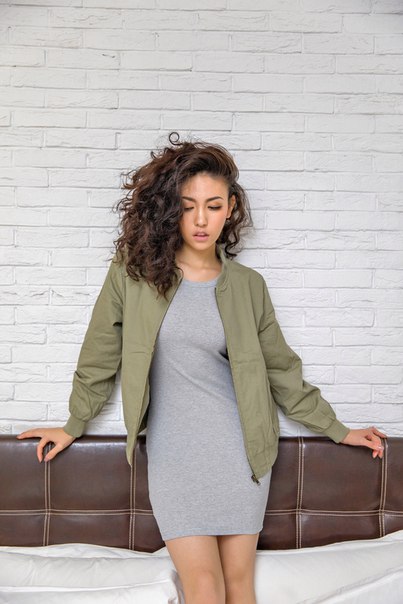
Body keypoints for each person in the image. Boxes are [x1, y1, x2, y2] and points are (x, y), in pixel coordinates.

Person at [17, 131, 387, 604]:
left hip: (241, 452)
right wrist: (74, 423)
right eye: (188, 205)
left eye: (213, 206)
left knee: (238, 585)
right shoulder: (133, 274)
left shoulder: (248, 286)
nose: (200, 219)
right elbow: (100, 352)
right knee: (204, 586)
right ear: (170, 208)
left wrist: (338, 429)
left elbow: (281, 369)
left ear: (230, 209)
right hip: (174, 454)